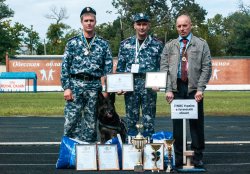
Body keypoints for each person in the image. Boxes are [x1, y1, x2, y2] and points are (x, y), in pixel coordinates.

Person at [160, 14, 212, 168]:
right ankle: (177, 156)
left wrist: (200, 88)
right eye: (179, 26)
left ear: (191, 25)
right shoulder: (170, 45)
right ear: (176, 27)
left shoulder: (201, 44)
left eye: (185, 25)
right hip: (176, 89)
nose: (182, 29)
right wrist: (168, 89)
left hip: (194, 90)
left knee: (196, 124)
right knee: (177, 125)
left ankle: (197, 156)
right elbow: (164, 68)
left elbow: (207, 67)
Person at [61, 7, 113, 143]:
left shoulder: (103, 44)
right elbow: (65, 66)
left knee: (91, 123)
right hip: (75, 85)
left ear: (95, 22)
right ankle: (70, 154)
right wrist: (66, 87)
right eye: (86, 20)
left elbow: (108, 70)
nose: (89, 23)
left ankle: (87, 157)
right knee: (71, 121)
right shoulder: (72, 43)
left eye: (91, 20)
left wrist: (107, 89)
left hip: (94, 86)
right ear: (81, 22)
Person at [116, 13, 163, 140]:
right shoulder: (125, 44)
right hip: (130, 85)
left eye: (144, 24)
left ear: (148, 26)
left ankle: (150, 153)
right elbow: (120, 68)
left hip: (149, 85)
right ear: (134, 26)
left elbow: (161, 67)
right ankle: (131, 152)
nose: (141, 27)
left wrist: (160, 82)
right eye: (139, 24)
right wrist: (119, 85)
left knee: (149, 120)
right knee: (131, 120)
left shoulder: (157, 44)